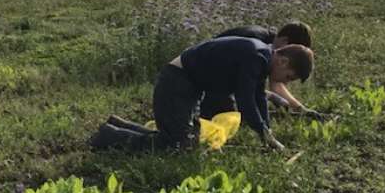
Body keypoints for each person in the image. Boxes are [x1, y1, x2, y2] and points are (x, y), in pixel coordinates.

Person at [90, 36, 314, 152]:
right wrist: (265, 135)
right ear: (283, 60)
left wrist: (267, 132)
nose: (284, 82)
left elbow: (257, 97)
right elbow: (246, 101)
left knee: (186, 141)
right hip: (176, 84)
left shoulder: (261, 57)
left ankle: (117, 125)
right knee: (175, 146)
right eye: (288, 77)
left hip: (189, 87)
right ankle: (108, 136)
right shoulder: (256, 56)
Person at [202, 22, 325, 120]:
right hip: (208, 77)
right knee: (232, 114)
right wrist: (271, 97)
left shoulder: (271, 49)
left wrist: (301, 109)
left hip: (225, 81)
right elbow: (245, 88)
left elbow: (276, 82)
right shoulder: (255, 43)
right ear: (285, 42)